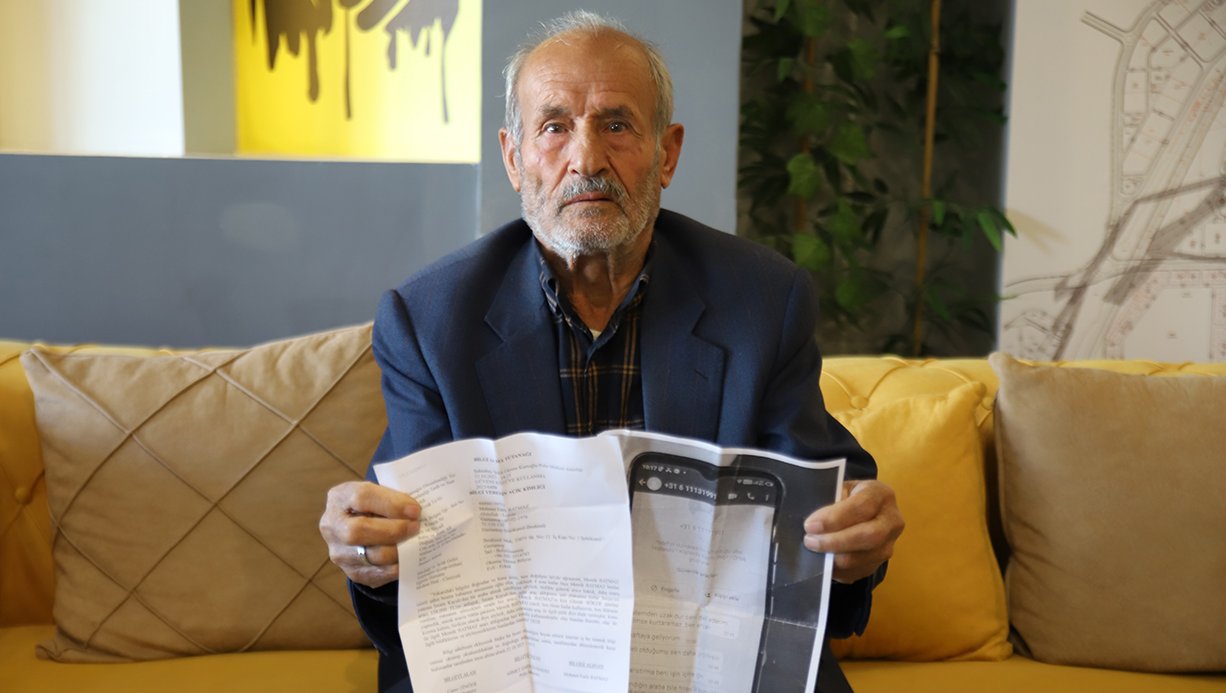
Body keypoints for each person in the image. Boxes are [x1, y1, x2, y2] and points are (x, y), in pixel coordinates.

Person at [319, 11, 903, 692]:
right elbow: (411, 552)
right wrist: (373, 551)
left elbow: (819, 497)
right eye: (554, 126)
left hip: (703, 665)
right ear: (513, 157)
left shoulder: (764, 301)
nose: (587, 159)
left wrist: (856, 540)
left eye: (617, 125)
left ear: (667, 153)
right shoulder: (427, 320)